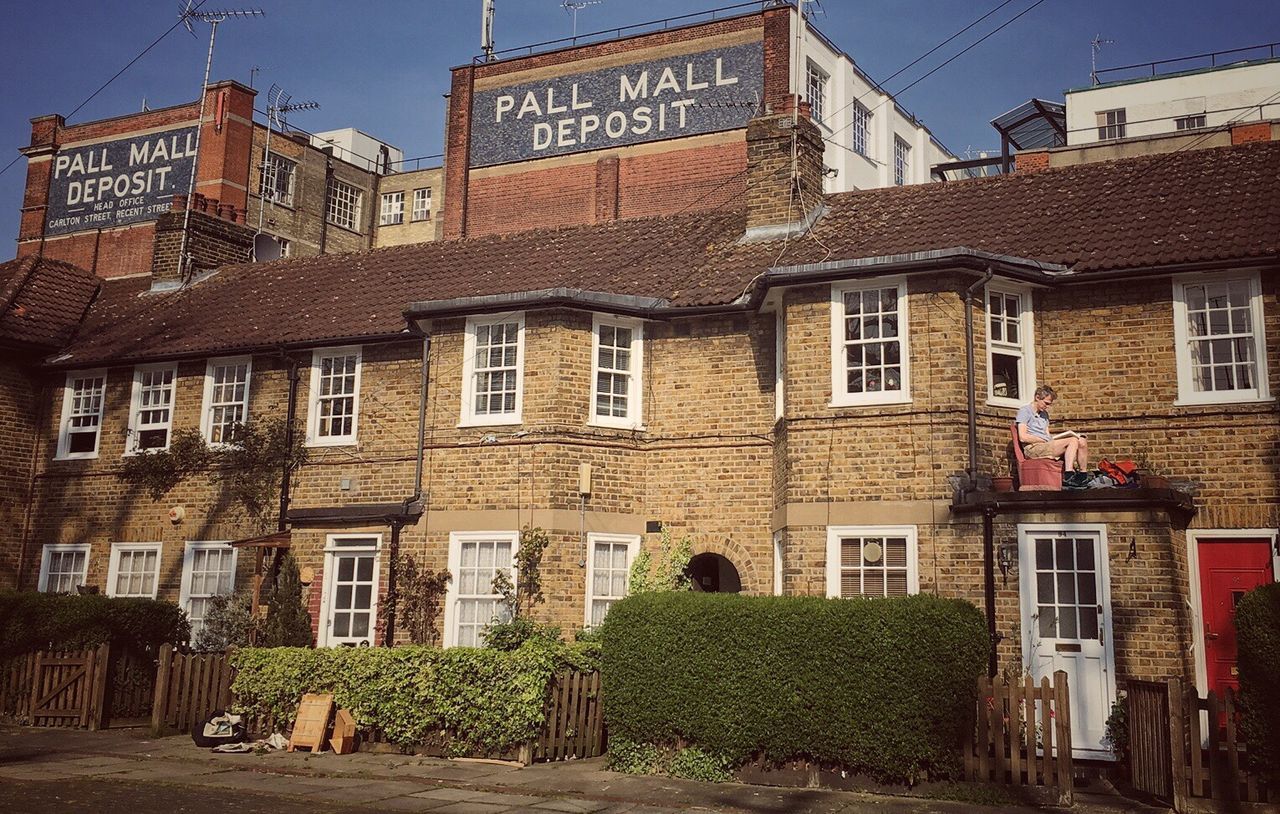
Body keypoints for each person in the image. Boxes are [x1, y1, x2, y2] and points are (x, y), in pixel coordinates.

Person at [1016, 385, 1088, 471]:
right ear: (1037, 397)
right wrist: (1043, 440)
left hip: (1045, 445)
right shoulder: (1025, 411)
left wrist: (1052, 439)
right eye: (1046, 403)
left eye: (1049, 404)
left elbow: (1047, 434)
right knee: (1072, 440)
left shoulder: (1044, 414)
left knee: (1081, 441)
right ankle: (1069, 474)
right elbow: (1023, 437)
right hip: (1033, 448)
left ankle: (1083, 475)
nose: (1047, 407)